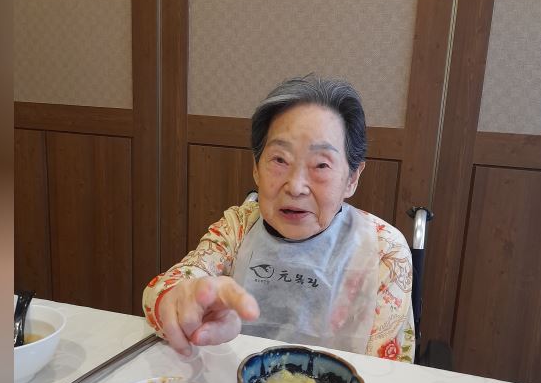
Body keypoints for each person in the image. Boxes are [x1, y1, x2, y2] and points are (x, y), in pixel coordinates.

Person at [142, 75, 415, 362]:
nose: (295, 187)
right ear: (256, 169)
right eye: (280, 160)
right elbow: (171, 286)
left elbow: (391, 372)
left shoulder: (383, 250)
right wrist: (177, 300)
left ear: (352, 178)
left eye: (321, 165)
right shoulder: (238, 227)